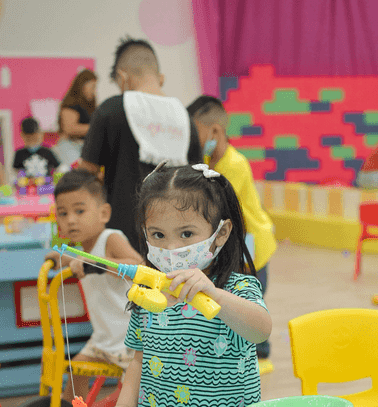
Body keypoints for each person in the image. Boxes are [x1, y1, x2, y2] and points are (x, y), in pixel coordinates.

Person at [99, 162, 272, 407]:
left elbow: (261, 330)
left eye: (187, 234)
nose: (171, 248)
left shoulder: (236, 288)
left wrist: (215, 295)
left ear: (221, 233)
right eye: (158, 235)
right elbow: (139, 360)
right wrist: (126, 406)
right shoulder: (149, 294)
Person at [79, 37, 202, 253]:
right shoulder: (185, 118)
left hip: (121, 243)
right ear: (158, 76)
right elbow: (196, 180)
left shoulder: (110, 110)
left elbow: (86, 173)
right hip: (174, 241)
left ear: (122, 77)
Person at [187, 95, 276, 359]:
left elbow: (221, 208)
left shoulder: (234, 164)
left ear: (215, 131)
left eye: (196, 132)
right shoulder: (209, 159)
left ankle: (260, 350)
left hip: (251, 244)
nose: (193, 138)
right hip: (238, 242)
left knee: (250, 297)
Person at [45, 169, 143, 402]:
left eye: (79, 211)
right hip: (102, 340)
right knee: (75, 369)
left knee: (134, 399)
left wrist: (97, 263)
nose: (70, 219)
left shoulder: (111, 238)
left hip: (130, 339)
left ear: (103, 213)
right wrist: (63, 258)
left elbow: (138, 265)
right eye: (63, 213)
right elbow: (69, 257)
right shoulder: (81, 250)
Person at [54, 69, 98, 167]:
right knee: (77, 171)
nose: (94, 90)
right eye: (92, 86)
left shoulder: (91, 105)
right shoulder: (71, 104)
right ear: (82, 85)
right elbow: (70, 128)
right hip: (70, 146)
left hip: (86, 146)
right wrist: (96, 127)